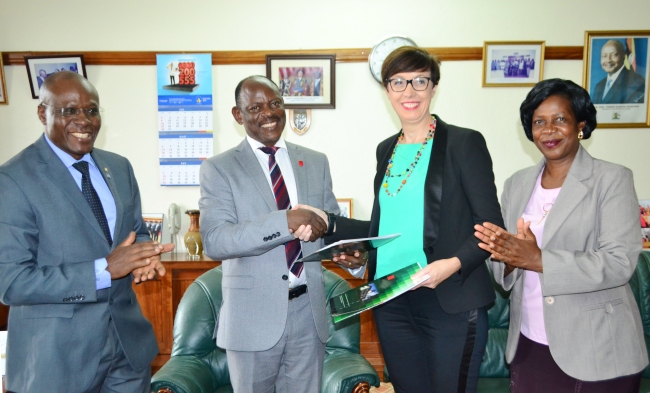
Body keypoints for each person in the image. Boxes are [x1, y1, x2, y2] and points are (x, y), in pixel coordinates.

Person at [305, 46, 503, 393]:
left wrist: (449, 265)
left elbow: (490, 226)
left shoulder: (463, 143)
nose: (408, 92)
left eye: (419, 81)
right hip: (390, 296)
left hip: (449, 297)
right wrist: (330, 223)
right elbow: (384, 230)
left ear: (434, 87)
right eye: (398, 82)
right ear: (387, 90)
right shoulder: (386, 150)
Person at [0, 71, 174, 393]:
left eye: (91, 110)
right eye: (69, 111)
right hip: (56, 361)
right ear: (43, 113)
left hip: (127, 352)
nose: (84, 120)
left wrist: (144, 258)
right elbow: (12, 283)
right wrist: (104, 270)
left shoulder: (119, 167)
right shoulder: (12, 180)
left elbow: (136, 234)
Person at [475, 78, 648, 392]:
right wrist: (511, 259)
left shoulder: (611, 179)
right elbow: (503, 262)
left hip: (598, 347)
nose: (548, 130)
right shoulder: (516, 183)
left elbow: (619, 262)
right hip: (529, 343)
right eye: (539, 122)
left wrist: (540, 259)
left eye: (560, 120)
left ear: (580, 124)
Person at [198, 75, 360, 393]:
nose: (268, 113)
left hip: (308, 315)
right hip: (251, 317)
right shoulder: (219, 168)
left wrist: (349, 253)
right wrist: (283, 221)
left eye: (275, 103)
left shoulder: (315, 161)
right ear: (237, 114)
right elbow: (216, 240)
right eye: (255, 107)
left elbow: (328, 226)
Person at [592, 39, 645, 104]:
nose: (608, 60)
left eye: (614, 55)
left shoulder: (636, 82)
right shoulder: (599, 86)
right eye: (604, 56)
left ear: (624, 56)